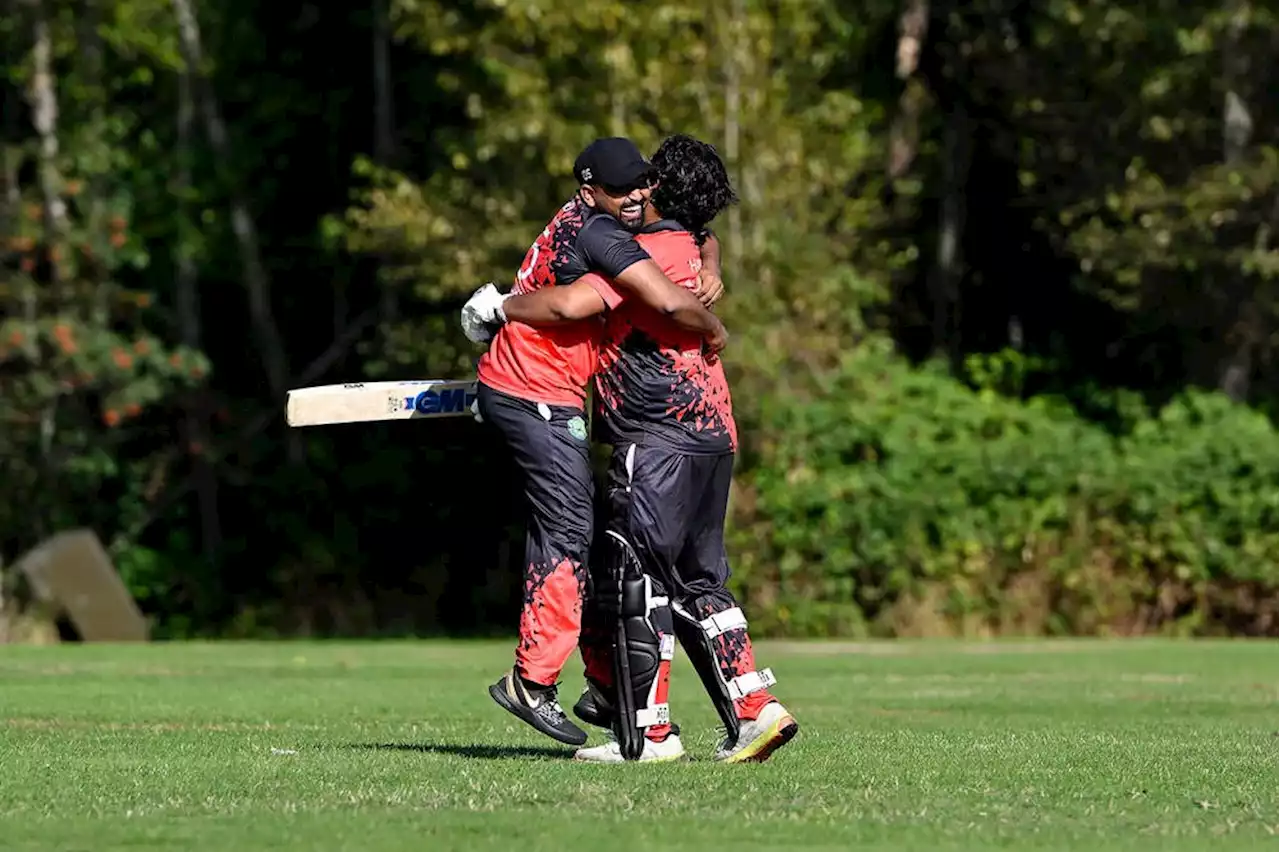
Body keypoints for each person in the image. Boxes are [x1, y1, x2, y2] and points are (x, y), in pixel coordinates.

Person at [473, 135, 799, 764]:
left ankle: (647, 737)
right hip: (715, 433)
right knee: (702, 580)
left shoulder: (637, 255)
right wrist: (716, 267)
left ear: (658, 191)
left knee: (634, 580)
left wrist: (499, 307)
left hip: (656, 436)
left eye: (646, 183)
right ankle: (757, 711)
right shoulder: (689, 243)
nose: (637, 192)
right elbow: (702, 242)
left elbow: (574, 301)